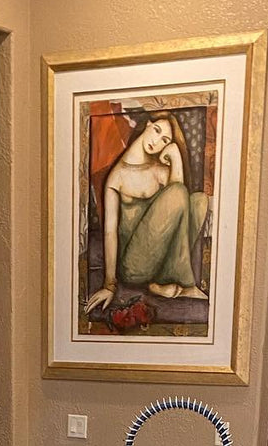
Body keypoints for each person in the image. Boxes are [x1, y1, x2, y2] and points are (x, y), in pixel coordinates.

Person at [84, 112, 210, 315]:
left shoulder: (159, 170)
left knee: (199, 201)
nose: (157, 142)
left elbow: (180, 212)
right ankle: (186, 284)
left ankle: (158, 284)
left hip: (157, 261)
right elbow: (110, 232)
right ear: (147, 124)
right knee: (178, 192)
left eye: (165, 140)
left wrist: (175, 156)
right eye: (157, 131)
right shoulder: (117, 177)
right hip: (132, 267)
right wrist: (109, 285)